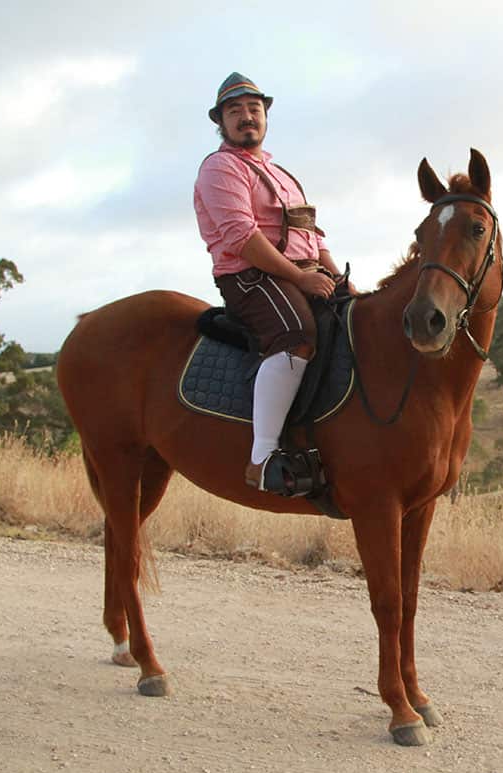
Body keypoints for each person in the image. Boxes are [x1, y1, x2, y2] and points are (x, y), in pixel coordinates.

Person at [194, 72, 344, 494]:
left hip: (302, 273)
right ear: (220, 122)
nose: (247, 117)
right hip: (249, 276)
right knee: (297, 334)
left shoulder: (284, 176)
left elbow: (313, 237)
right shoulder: (220, 168)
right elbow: (242, 237)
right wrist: (300, 277)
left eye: (254, 109)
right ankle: (262, 458)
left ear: (265, 116)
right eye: (235, 111)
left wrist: (340, 281)